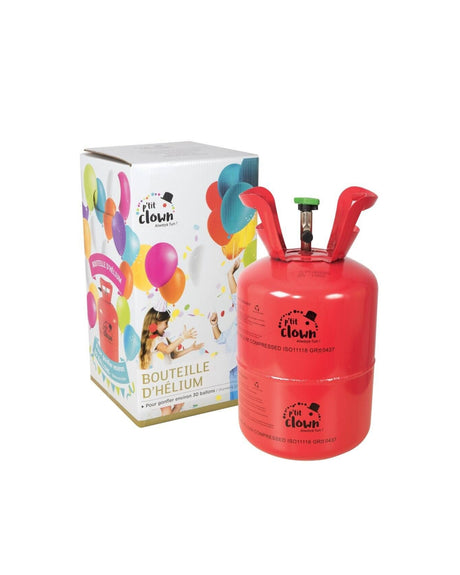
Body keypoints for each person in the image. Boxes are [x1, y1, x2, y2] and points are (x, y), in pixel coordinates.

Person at [139, 308, 203, 415]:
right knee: (166, 410)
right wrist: (183, 337)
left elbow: (173, 354)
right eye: (166, 322)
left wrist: (191, 348)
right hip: (159, 381)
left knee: (179, 403)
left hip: (166, 379)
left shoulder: (162, 338)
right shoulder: (153, 339)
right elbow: (167, 349)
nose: (167, 326)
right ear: (156, 323)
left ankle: (170, 420)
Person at [210, 259, 240, 401]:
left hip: (242, 368)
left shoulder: (248, 317)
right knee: (235, 405)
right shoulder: (237, 322)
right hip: (233, 369)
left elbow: (237, 298)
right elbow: (221, 339)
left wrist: (230, 275)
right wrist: (214, 325)